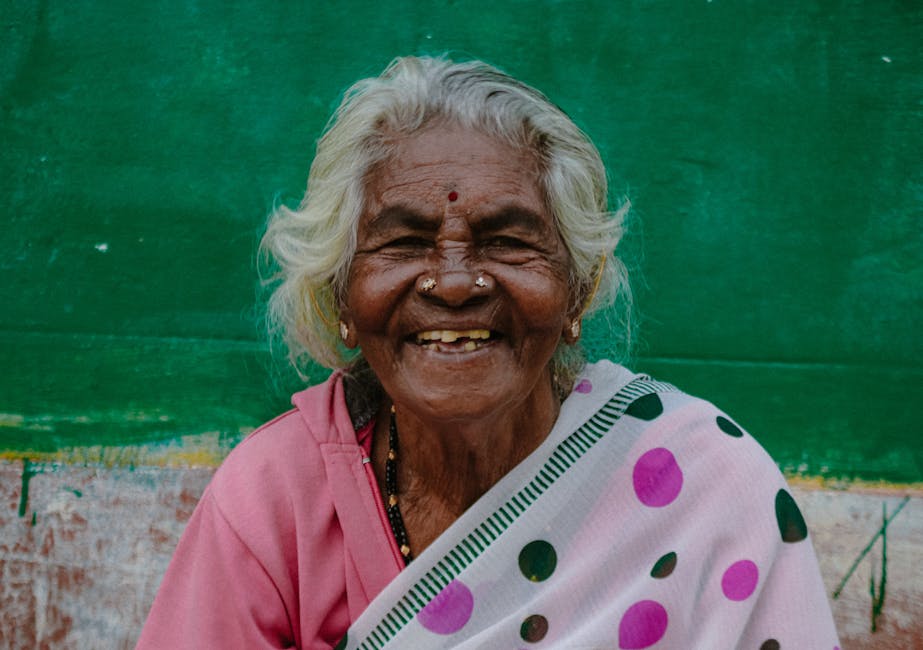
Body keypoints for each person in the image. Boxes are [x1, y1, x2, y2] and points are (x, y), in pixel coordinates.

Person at [137, 56, 839, 649]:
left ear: (577, 289)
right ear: (342, 298)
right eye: (405, 242)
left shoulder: (707, 488)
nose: (453, 282)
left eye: (506, 240)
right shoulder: (275, 500)